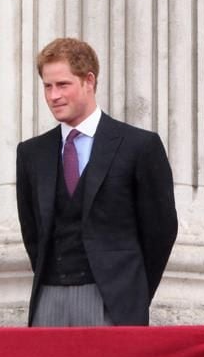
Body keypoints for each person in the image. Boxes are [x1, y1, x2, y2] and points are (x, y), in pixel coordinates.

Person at [16, 38, 177, 326]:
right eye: (47, 86)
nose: (53, 96)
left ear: (89, 81)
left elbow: (160, 231)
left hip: (114, 300)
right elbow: (32, 232)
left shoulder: (139, 146)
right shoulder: (31, 153)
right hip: (48, 297)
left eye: (63, 85)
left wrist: (132, 290)